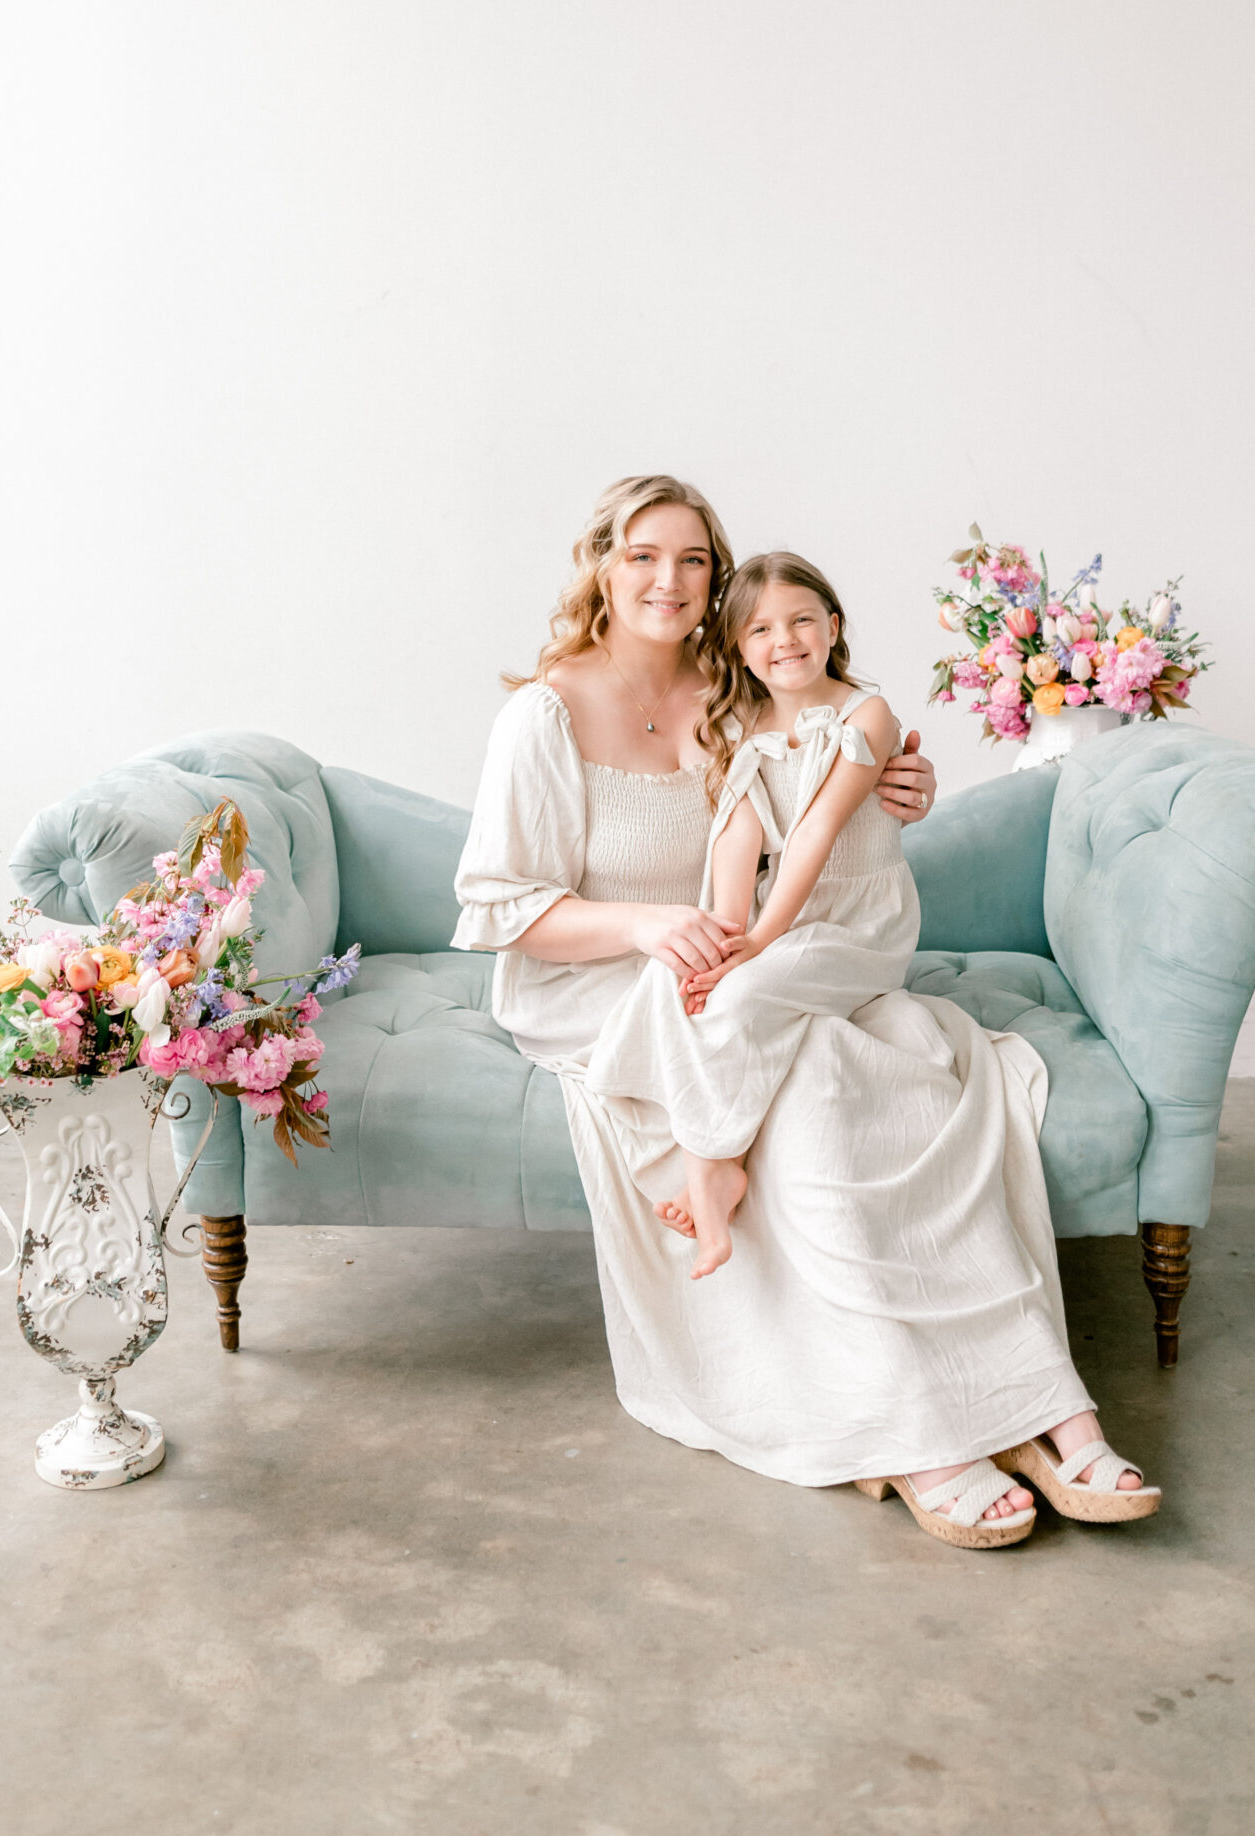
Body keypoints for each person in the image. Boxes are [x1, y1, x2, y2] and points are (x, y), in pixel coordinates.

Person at [453, 474, 1160, 1550]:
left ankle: (1028, 1402)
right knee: (812, 1089)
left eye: (692, 559)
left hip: (747, 960)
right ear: (601, 563)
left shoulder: (740, 683)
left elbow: (821, 797)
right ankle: (917, 1427)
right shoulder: (544, 713)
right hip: (602, 977)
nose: (667, 580)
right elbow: (502, 909)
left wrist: (897, 790)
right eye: (642, 554)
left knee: (865, 1074)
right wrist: (650, 932)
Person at [586, 550, 916, 1280]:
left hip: (857, 921)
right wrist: (728, 937)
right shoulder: (745, 724)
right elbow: (738, 834)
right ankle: (698, 1153)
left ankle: (713, 1167)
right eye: (760, 629)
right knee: (676, 982)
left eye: (801, 620)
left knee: (749, 991)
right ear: (737, 647)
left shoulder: (866, 713)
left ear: (832, 626)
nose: (784, 640)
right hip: (780, 916)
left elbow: (814, 828)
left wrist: (759, 946)